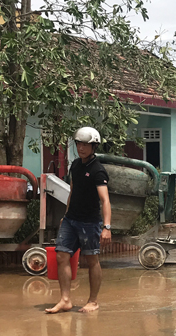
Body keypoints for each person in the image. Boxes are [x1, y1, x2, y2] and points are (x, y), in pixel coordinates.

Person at [46, 127, 112, 314]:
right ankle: (65, 300)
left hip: (90, 222)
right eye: (78, 144)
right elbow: (72, 192)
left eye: (85, 145)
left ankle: (93, 301)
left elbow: (105, 200)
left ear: (94, 147)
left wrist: (106, 227)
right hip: (70, 220)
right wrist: (65, 215)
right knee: (61, 255)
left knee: (91, 259)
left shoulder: (98, 170)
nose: (81, 148)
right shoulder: (75, 165)